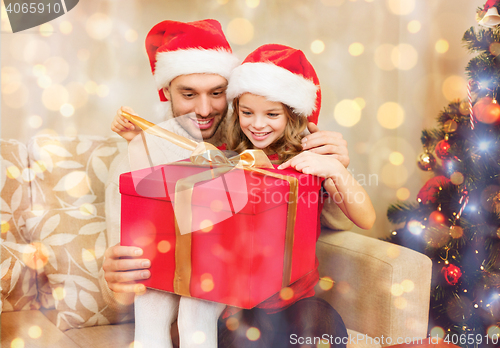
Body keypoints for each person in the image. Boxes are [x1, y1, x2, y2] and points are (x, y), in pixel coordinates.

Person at [101, 19, 354, 348]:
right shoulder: (134, 164)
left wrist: (338, 170)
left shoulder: (256, 139)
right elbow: (125, 282)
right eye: (188, 94)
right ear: (166, 92)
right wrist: (115, 280)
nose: (204, 109)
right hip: (200, 300)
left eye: (217, 93)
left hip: (262, 297)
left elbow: (329, 221)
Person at [215, 43, 376, 347]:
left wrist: (337, 171)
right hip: (240, 305)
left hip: (296, 301)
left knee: (322, 324)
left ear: (293, 115)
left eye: (272, 114)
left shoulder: (309, 162)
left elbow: (366, 218)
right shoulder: (227, 158)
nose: (258, 124)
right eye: (247, 112)